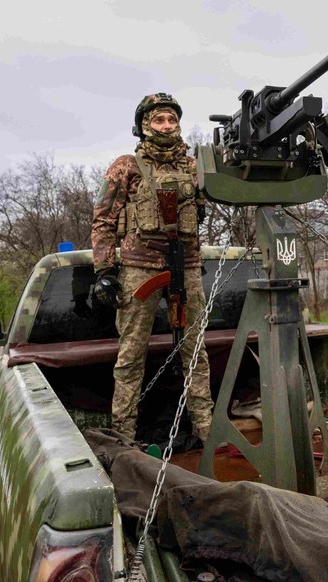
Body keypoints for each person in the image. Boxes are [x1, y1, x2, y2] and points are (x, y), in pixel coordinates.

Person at [90, 92, 213, 443]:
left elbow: (203, 207)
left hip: (186, 264)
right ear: (145, 125)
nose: (167, 126)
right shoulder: (126, 166)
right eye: (159, 119)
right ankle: (124, 437)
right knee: (130, 357)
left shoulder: (192, 165)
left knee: (196, 353)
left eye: (172, 119)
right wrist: (104, 270)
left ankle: (206, 429)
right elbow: (102, 219)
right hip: (139, 268)